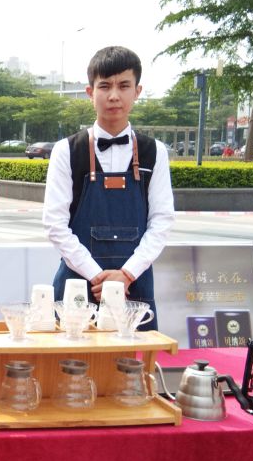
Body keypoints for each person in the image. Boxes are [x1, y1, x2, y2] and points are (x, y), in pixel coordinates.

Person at [43, 46, 174, 330]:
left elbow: (162, 221)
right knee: (72, 355)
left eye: (124, 86)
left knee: (132, 357)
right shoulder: (67, 151)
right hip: (78, 284)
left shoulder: (155, 152)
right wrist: (97, 275)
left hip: (134, 285)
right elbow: (54, 224)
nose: (114, 95)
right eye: (105, 86)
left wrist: (126, 274)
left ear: (137, 91)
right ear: (90, 92)